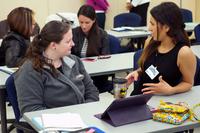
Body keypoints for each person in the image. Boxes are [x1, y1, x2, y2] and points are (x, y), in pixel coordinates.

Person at [14, 21, 99, 116]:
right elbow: (31, 111)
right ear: (53, 45)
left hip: (82, 117)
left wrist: (86, 111)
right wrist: (70, 118)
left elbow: (92, 91)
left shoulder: (75, 61)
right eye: (68, 41)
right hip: (53, 125)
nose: (73, 44)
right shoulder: (30, 70)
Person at [126, 2, 196, 96]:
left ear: (166, 27)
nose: (149, 28)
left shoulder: (183, 52)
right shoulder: (150, 42)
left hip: (163, 103)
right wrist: (138, 72)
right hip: (140, 98)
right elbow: (150, 67)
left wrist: (172, 90)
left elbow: (188, 83)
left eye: (152, 24)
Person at [72, 5, 111, 93]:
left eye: (87, 22)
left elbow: (105, 58)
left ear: (93, 20)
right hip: (77, 73)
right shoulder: (73, 33)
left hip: (96, 76)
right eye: (81, 22)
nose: (84, 26)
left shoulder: (102, 34)